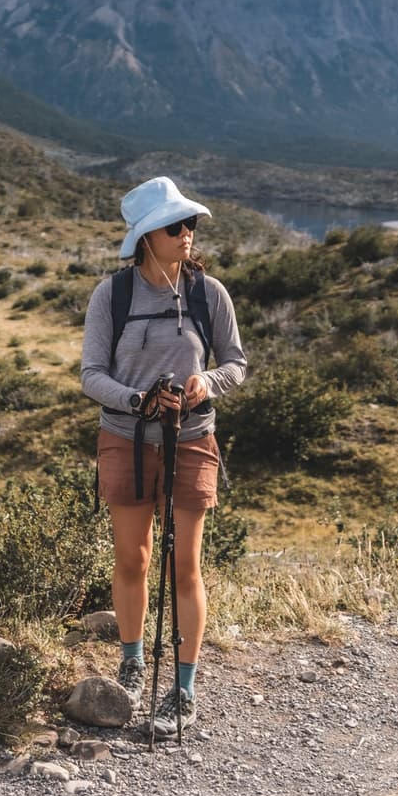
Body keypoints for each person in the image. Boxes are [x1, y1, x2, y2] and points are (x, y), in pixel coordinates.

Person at [81, 176, 247, 738]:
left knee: (185, 565)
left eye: (191, 224)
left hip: (192, 438)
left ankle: (183, 688)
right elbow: (90, 376)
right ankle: (132, 663)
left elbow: (236, 364)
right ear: (147, 236)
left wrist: (205, 383)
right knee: (133, 558)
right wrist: (136, 400)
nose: (188, 234)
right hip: (125, 438)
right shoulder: (113, 295)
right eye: (176, 226)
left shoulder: (209, 294)